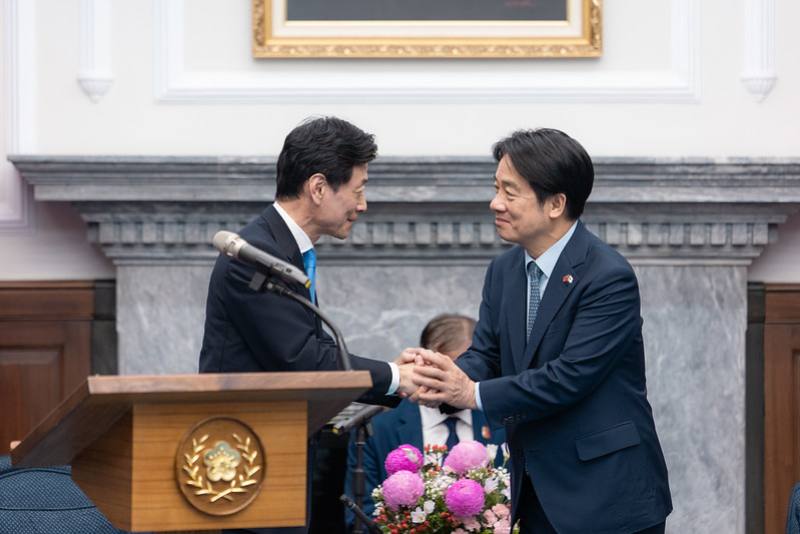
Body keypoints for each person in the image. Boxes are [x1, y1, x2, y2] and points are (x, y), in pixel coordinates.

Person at [408, 129, 672, 533]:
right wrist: (440, 373)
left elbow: (569, 378)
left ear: (555, 203)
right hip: (537, 492)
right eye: (496, 188)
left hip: (607, 497)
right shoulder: (503, 271)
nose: (495, 203)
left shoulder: (607, 276)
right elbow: (487, 355)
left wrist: (470, 392)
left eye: (510, 192)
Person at [199, 117, 415, 533]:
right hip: (243, 461)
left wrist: (392, 374)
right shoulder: (256, 256)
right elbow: (304, 359)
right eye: (358, 190)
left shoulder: (281, 249)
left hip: (274, 453)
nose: (363, 204)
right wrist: (395, 376)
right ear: (318, 188)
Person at [343, 314, 506, 525]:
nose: (456, 383)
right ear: (424, 363)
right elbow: (360, 517)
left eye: (470, 373)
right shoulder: (379, 429)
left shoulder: (502, 422)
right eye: (448, 372)